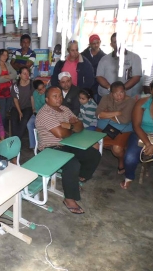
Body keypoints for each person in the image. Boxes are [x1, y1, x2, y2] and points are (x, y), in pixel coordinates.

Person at [36, 86, 101, 214]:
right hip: (49, 149)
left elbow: (80, 126)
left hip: (67, 144)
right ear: (47, 99)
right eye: (55, 96)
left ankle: (78, 178)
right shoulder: (45, 113)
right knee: (72, 164)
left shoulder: (65, 109)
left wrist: (69, 125)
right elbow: (60, 133)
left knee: (93, 155)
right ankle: (69, 198)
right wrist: (71, 127)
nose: (59, 98)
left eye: (60, 95)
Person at [121, 80, 153, 199]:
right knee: (129, 158)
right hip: (141, 134)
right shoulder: (141, 103)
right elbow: (136, 125)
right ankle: (129, 177)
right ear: (150, 89)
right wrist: (149, 144)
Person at [96, 81, 135, 174]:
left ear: (125, 91)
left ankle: (121, 161)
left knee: (117, 149)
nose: (119, 96)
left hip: (123, 129)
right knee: (94, 144)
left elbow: (125, 120)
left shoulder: (130, 101)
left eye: (122, 92)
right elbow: (98, 114)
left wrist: (106, 114)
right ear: (111, 94)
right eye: (116, 93)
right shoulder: (106, 98)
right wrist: (117, 113)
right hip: (104, 127)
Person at [96, 33, 143, 99]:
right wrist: (111, 89)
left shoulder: (135, 58)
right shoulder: (104, 59)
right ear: (111, 45)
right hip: (105, 96)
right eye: (115, 42)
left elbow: (136, 77)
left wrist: (120, 91)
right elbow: (99, 76)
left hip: (125, 97)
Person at [0, 49, 18, 125]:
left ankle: (4, 127)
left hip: (9, 91)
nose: (5, 57)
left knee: (7, 109)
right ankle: (1, 129)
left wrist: (5, 76)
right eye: (3, 55)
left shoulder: (8, 64)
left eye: (6, 55)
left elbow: (15, 74)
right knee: (2, 112)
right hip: (0, 92)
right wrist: (9, 77)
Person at [81, 34, 106, 103]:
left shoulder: (104, 57)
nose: (96, 45)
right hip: (85, 85)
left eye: (97, 43)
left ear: (100, 42)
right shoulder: (83, 55)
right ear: (90, 45)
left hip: (97, 86)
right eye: (93, 43)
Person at [10, 67, 34, 139]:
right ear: (20, 75)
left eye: (28, 73)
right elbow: (15, 100)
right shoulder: (15, 85)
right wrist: (20, 112)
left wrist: (33, 109)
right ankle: (14, 139)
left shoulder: (31, 84)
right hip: (16, 106)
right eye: (24, 74)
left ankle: (17, 139)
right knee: (14, 120)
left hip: (27, 106)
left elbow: (32, 97)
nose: (27, 75)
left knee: (24, 121)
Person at [27, 80, 46, 150]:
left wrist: (42, 95)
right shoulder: (35, 93)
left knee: (38, 125)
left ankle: (40, 145)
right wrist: (33, 110)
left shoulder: (47, 93)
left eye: (43, 87)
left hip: (44, 114)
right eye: (40, 89)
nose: (43, 90)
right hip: (36, 113)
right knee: (29, 124)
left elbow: (45, 105)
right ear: (36, 90)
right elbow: (35, 107)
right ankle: (33, 145)